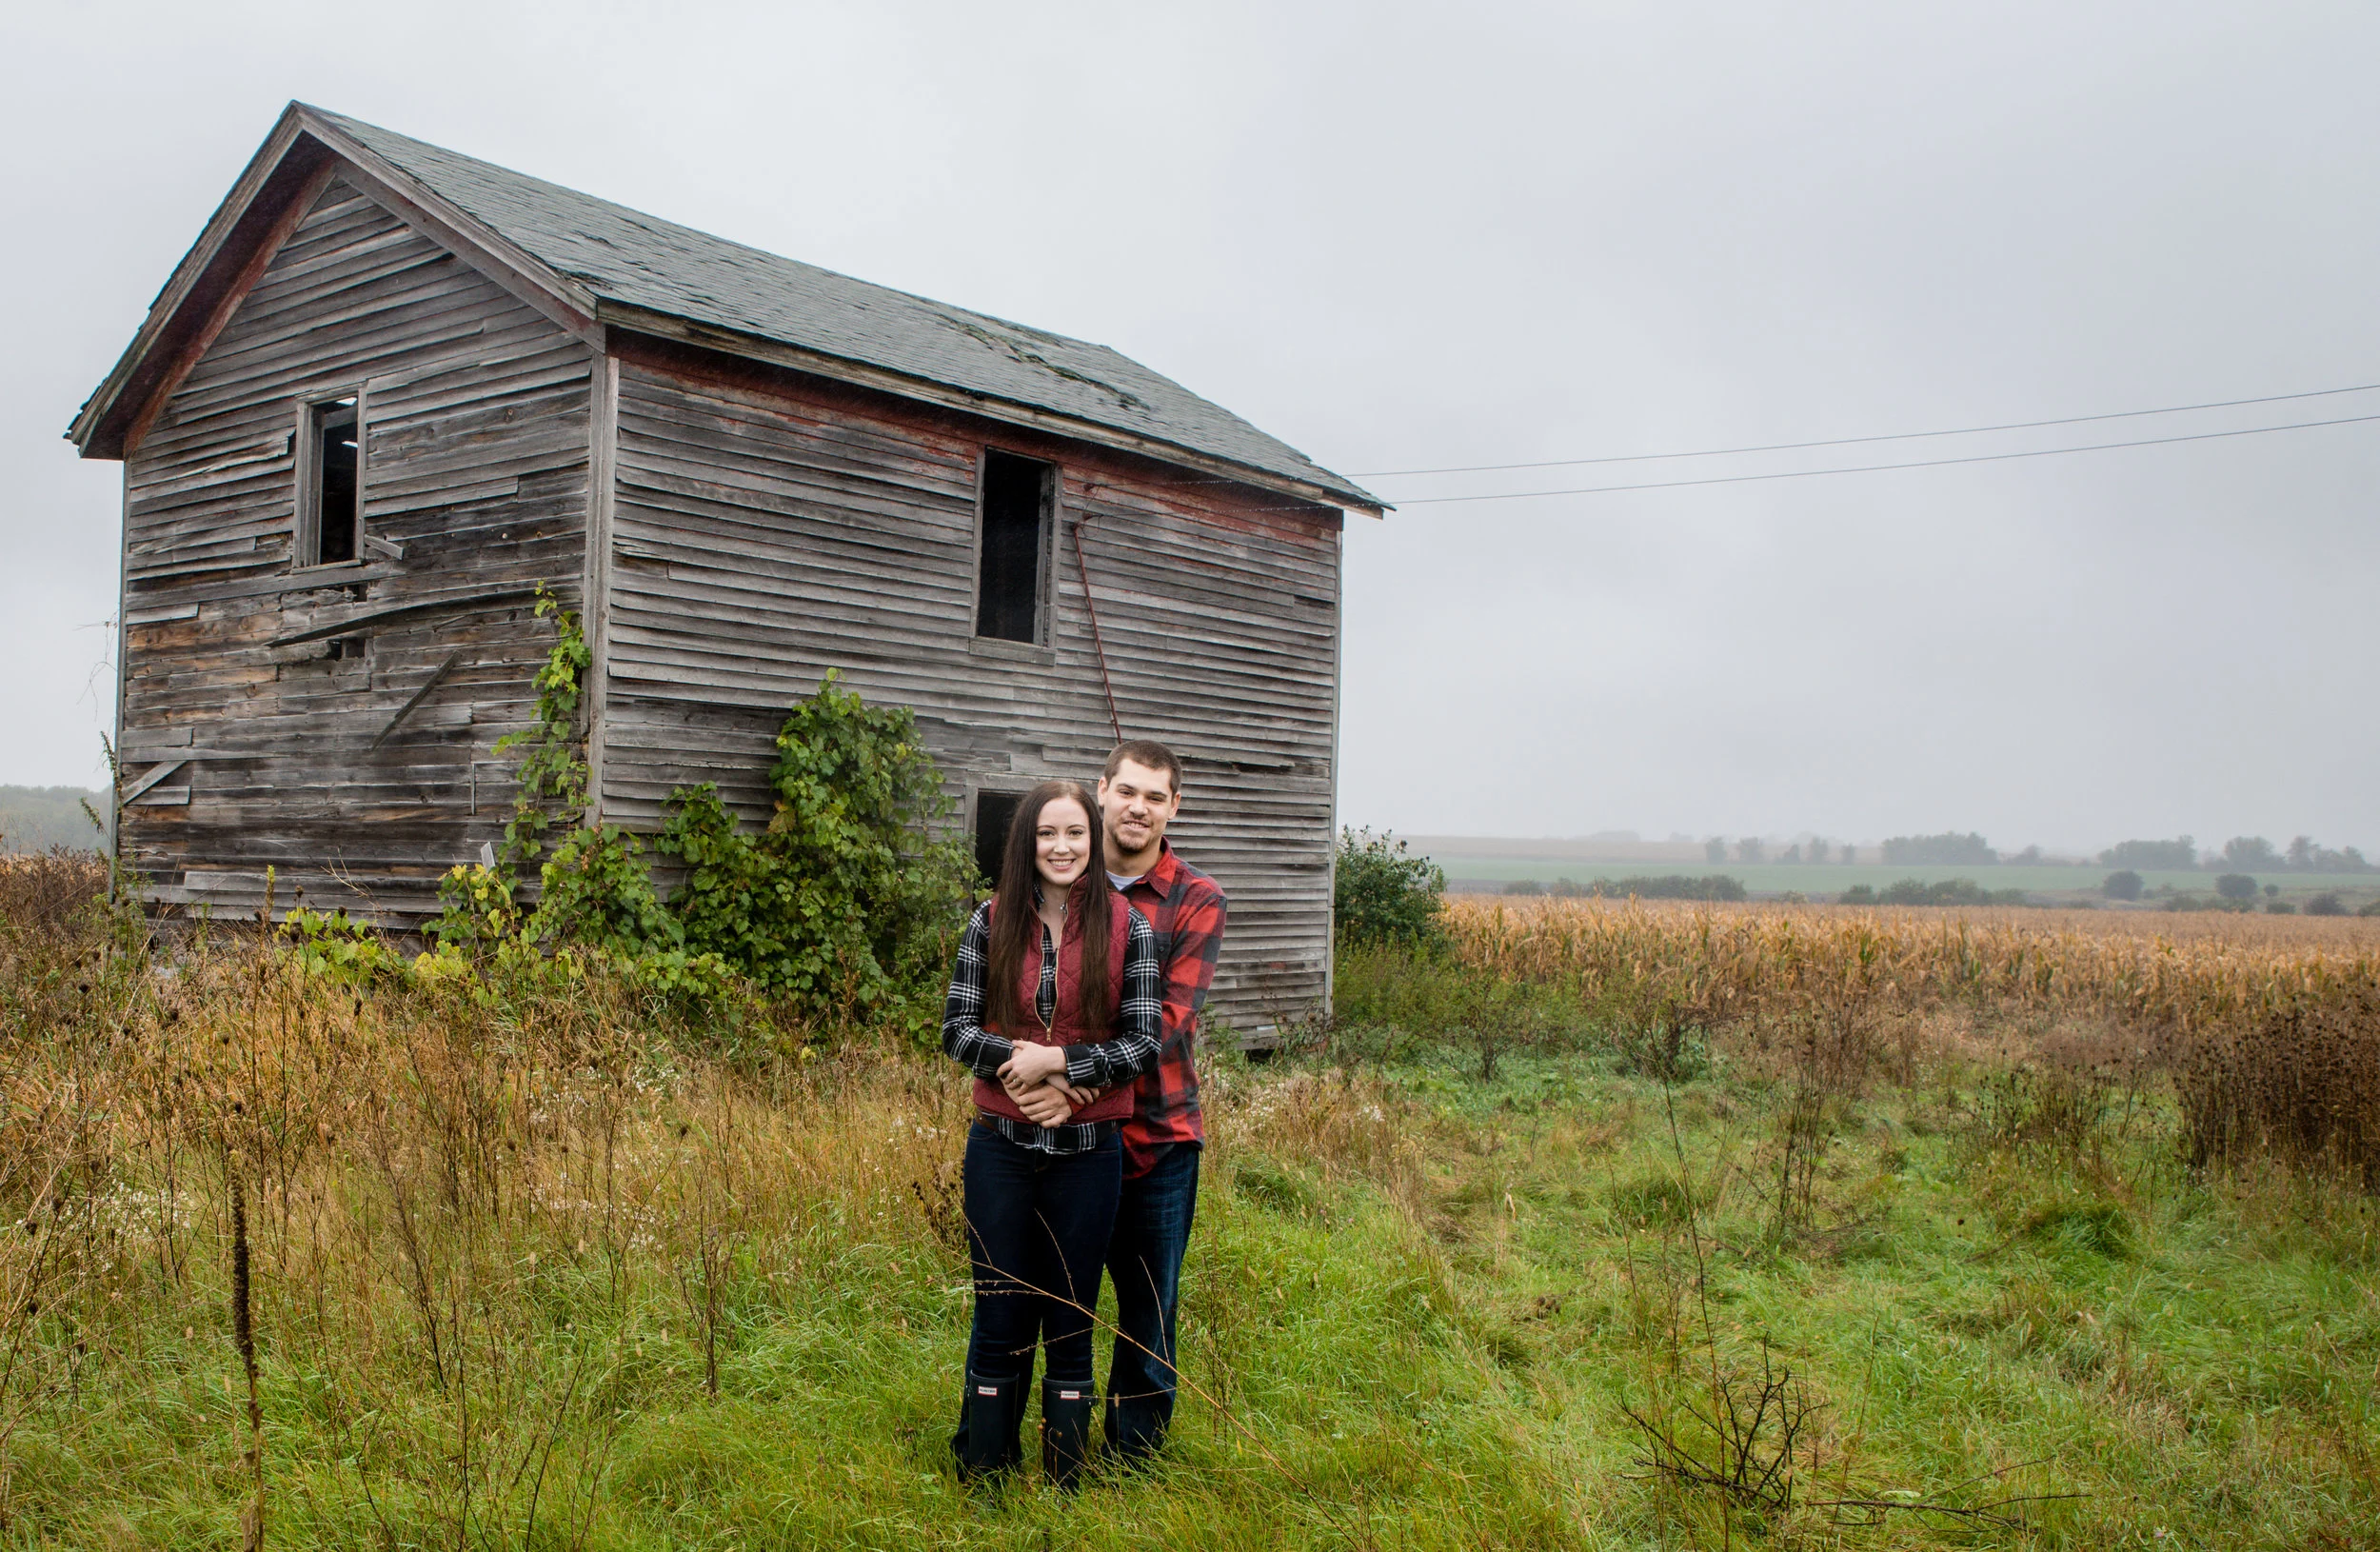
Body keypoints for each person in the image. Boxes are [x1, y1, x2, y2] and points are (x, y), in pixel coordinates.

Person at [941, 779, 1161, 1489]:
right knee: (999, 1310)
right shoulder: (990, 920)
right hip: (1000, 1150)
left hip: (1088, 1157)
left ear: (1093, 840)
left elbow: (1143, 1043)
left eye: (1074, 833)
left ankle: (1064, 1478)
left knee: (1071, 1313)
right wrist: (1022, 1070)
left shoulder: (1130, 928)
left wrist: (1060, 1068)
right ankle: (986, 1473)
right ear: (1026, 842)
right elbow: (957, 1029)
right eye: (1046, 834)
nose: (1061, 847)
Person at [1009, 741, 1225, 1462]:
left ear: (1174, 807)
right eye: (1127, 791)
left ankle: (1134, 1458)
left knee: (1148, 1304)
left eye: (1155, 797)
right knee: (1049, 1294)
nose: (1138, 808)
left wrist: (1068, 1080)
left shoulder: (1196, 899)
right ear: (1101, 791)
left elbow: (1167, 1023)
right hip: (1061, 1140)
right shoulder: (1060, 879)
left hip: (1156, 1137)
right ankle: (1035, 1442)